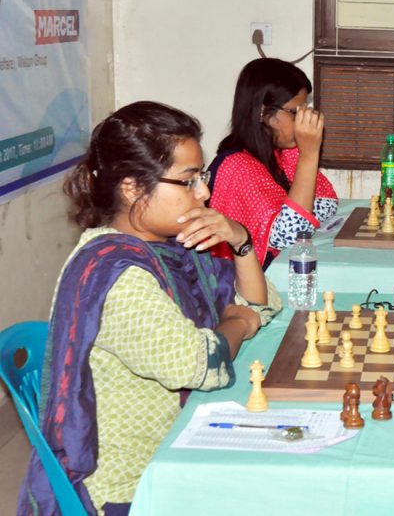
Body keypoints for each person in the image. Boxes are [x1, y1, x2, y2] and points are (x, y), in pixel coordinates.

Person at [18, 102, 282, 515]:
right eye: (188, 181)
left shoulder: (168, 250)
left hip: (175, 444)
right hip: (130, 484)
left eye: (202, 178)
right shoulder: (117, 273)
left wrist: (240, 239)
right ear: (133, 188)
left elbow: (261, 304)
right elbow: (199, 364)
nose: (204, 193)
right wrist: (237, 324)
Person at [208, 58, 338, 268]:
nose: (303, 120)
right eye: (296, 112)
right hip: (245, 286)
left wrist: (303, 154)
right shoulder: (237, 166)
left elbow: (327, 203)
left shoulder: (280, 152)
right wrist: (309, 154)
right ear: (263, 113)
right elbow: (293, 236)